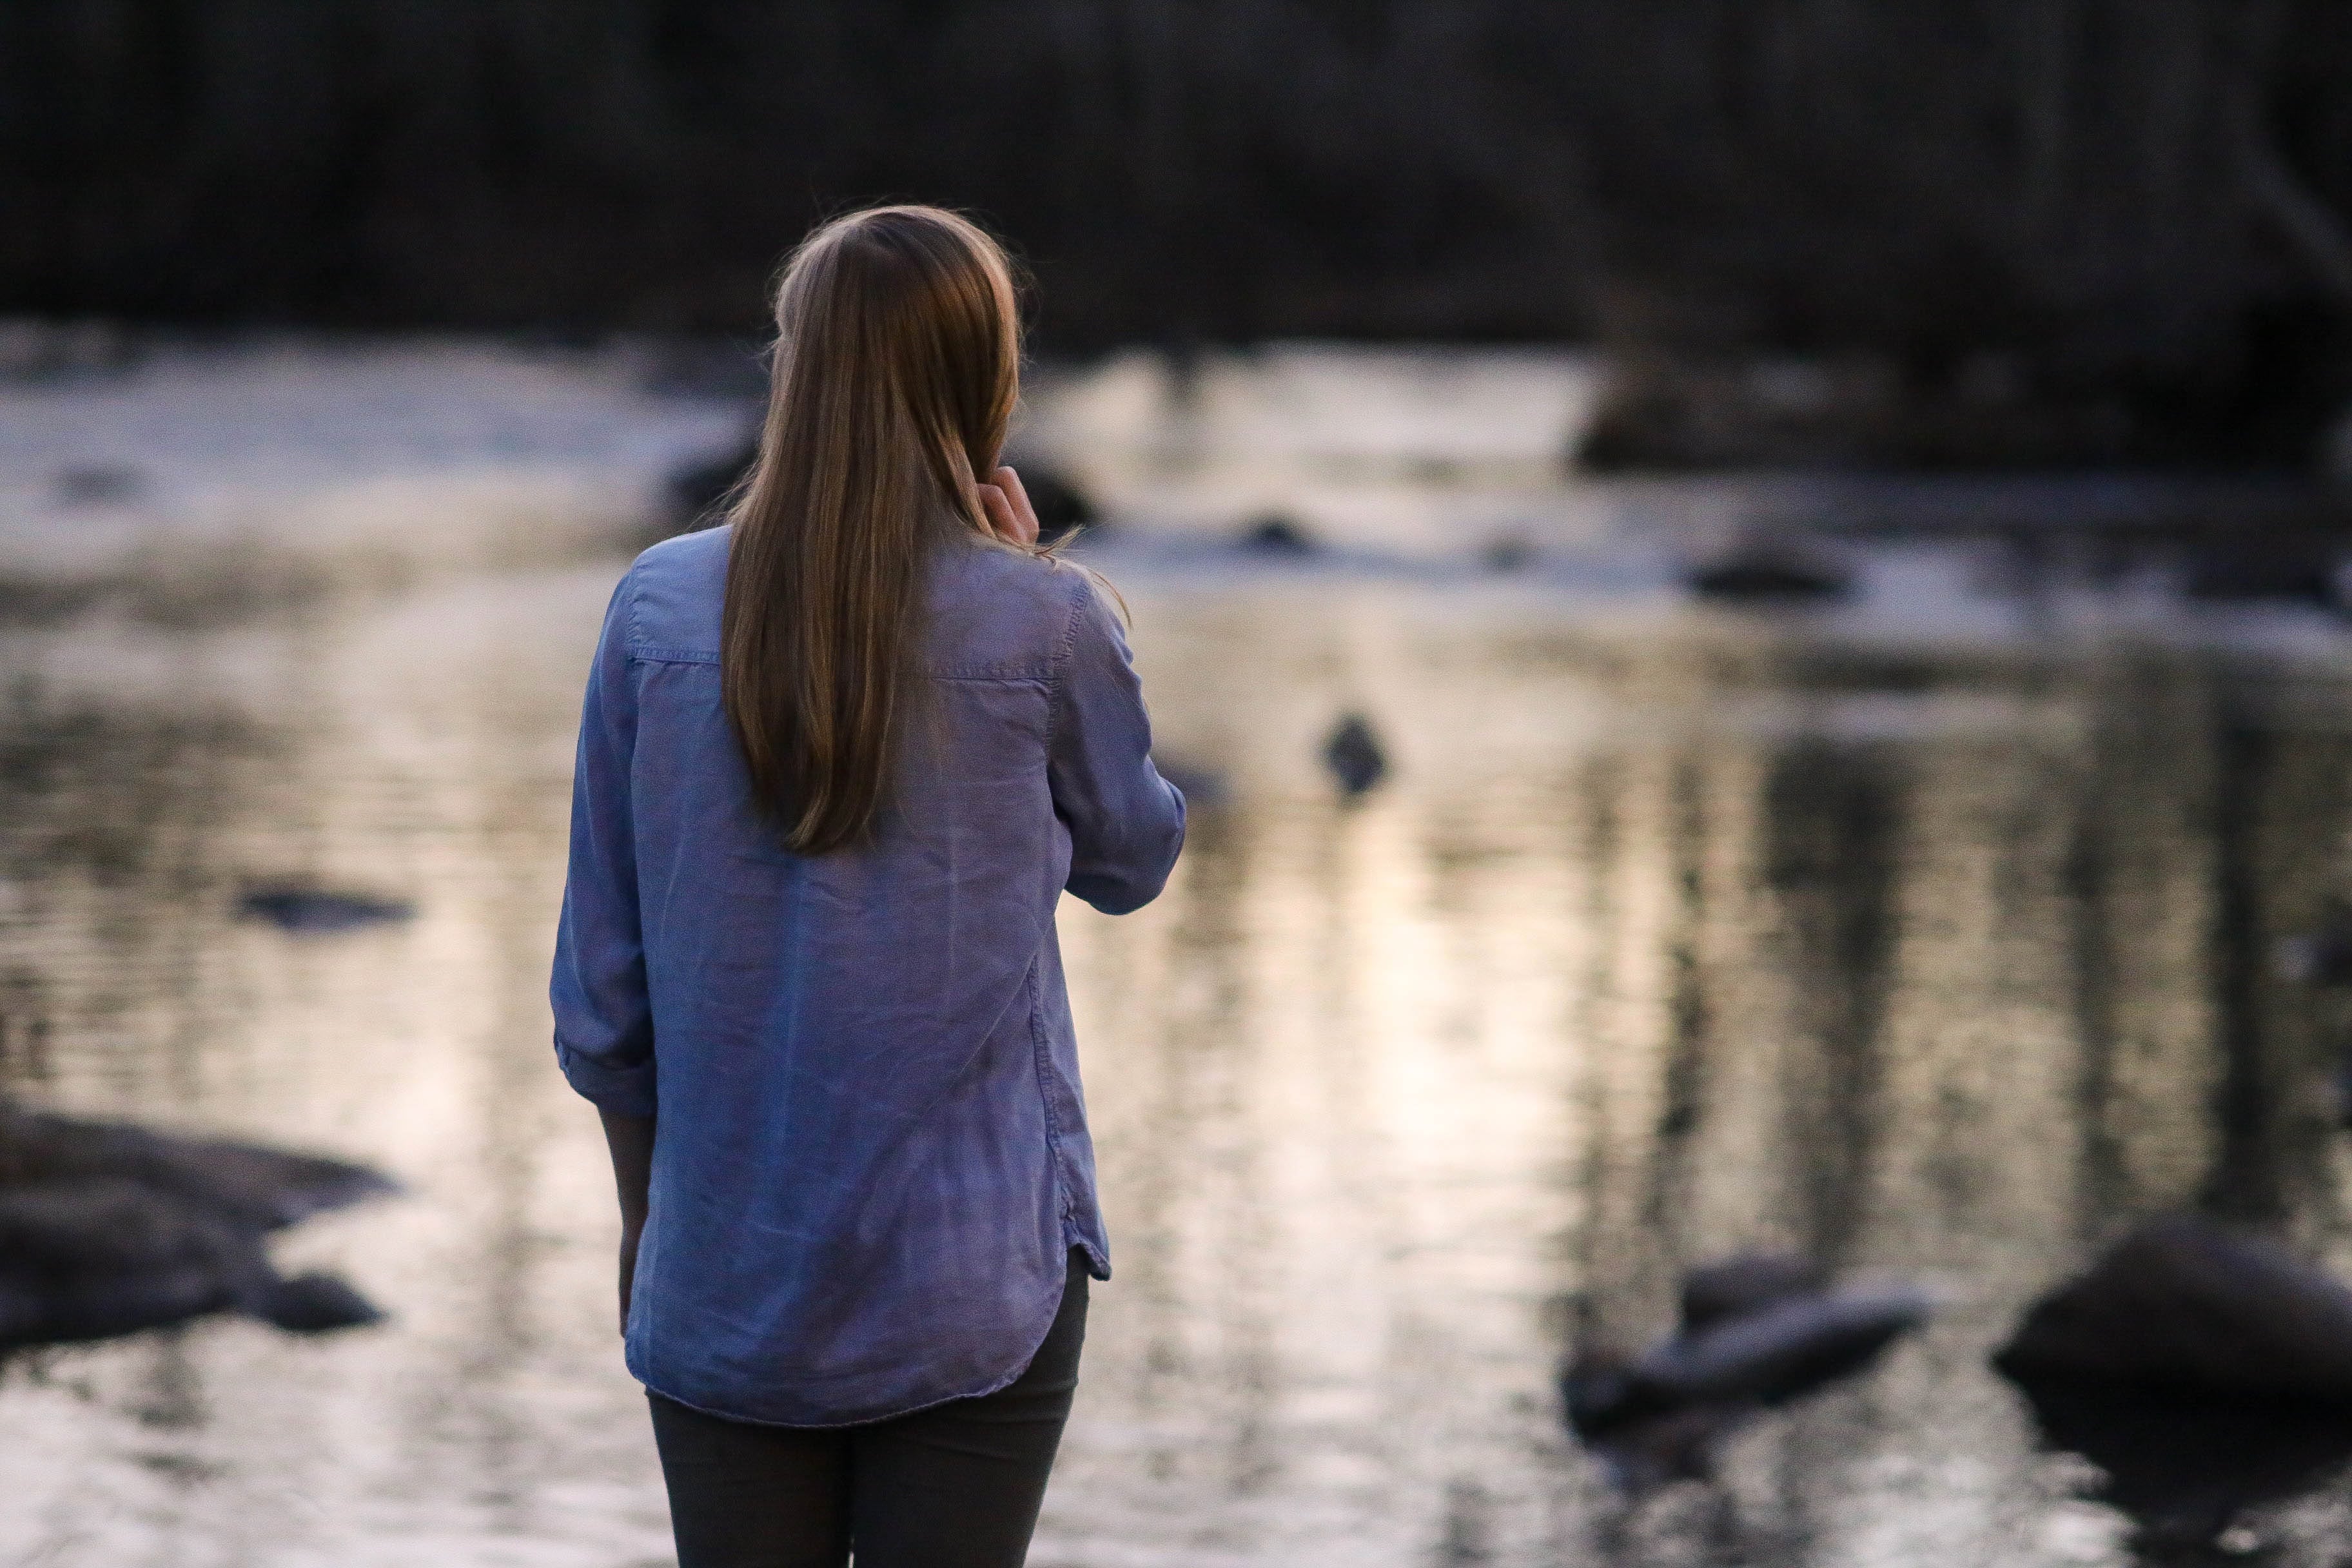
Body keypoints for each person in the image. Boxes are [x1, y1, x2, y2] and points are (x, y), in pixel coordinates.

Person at [549, 205, 1186, 1567]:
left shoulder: (656, 609)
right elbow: (1132, 861)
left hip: (722, 1276)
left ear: (798, 366)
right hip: (972, 1277)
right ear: (982, 379)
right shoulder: (1043, 621)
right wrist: (1038, 584)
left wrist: (648, 1227)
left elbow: (605, 993)